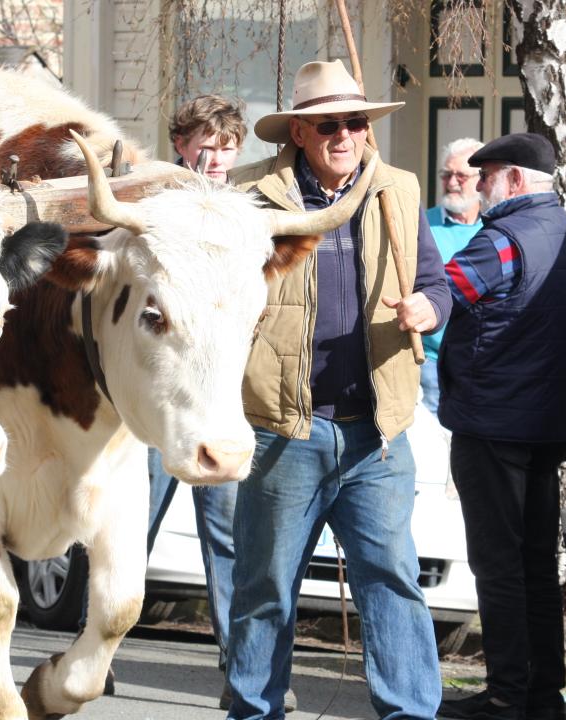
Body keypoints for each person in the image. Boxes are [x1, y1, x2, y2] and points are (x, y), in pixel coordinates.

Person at [227, 59, 451, 720]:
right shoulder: (248, 197)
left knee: (393, 582)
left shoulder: (397, 190)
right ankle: (252, 711)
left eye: (356, 122)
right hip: (282, 430)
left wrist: (429, 309)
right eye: (329, 124)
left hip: (375, 434)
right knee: (265, 586)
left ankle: (410, 713)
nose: (345, 134)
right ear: (298, 132)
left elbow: (436, 284)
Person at [435, 133, 566, 720]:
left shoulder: (502, 240)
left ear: (517, 181)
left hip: (493, 421)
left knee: (499, 565)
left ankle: (505, 696)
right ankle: (541, 694)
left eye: (488, 175)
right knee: (532, 563)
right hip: (543, 424)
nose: (477, 185)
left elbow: (445, 292)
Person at [147, 92, 281, 711]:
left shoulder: (248, 210)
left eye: (228, 144)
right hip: (153, 401)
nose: (217, 155)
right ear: (181, 144)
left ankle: (236, 656)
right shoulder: (148, 199)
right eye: (206, 142)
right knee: (128, 525)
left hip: (220, 398)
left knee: (227, 534)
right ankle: (96, 642)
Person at [422, 137, 485, 413]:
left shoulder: (495, 228)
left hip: (482, 365)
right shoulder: (422, 224)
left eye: (461, 175)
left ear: (481, 178)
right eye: (446, 174)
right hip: (432, 363)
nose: (451, 182)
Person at [168, 94, 247, 182]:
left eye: (226, 149)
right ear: (181, 145)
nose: (217, 161)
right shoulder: (157, 193)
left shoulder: (248, 191)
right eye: (207, 149)